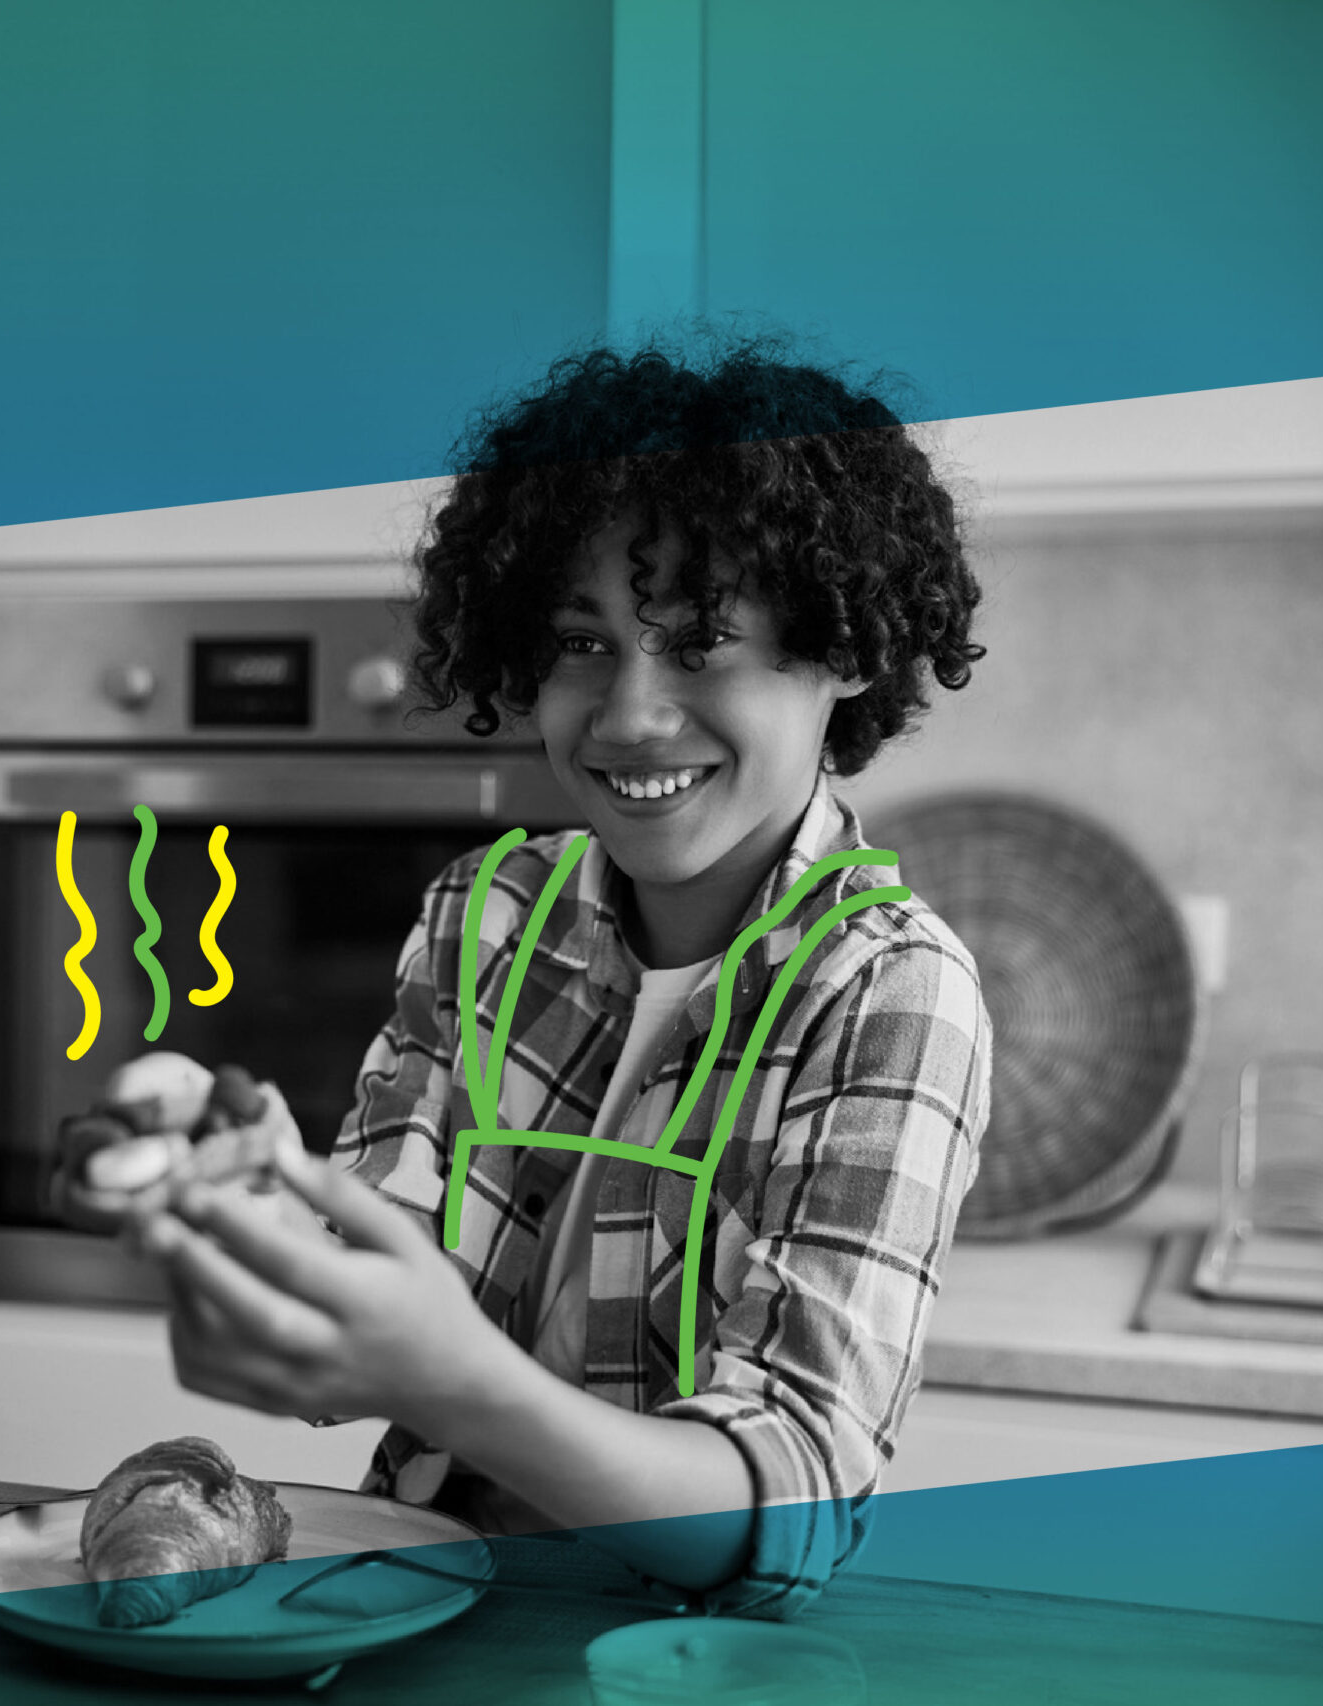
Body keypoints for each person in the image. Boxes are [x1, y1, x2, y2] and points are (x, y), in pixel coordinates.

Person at [94, 335, 991, 1620]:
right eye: (583, 642)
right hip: (408, 1618)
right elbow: (372, 1295)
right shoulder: (489, 914)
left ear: (842, 649)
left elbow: (789, 1500)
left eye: (699, 644)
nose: (627, 713)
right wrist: (244, 1192)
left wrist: (457, 1380)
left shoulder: (888, 991)